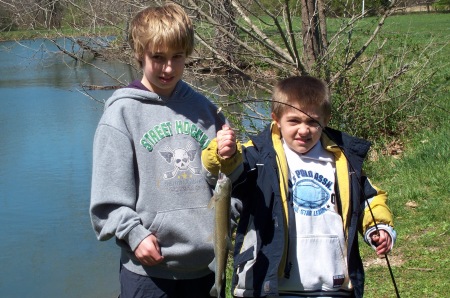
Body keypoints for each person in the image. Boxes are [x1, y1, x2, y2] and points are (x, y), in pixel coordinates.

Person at [201, 75, 397, 297]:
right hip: (270, 285)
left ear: (326, 120)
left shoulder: (344, 159)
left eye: (312, 122)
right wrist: (222, 154)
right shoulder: (258, 156)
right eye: (294, 121)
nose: (304, 130)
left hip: (332, 287)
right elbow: (228, 172)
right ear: (276, 119)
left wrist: (378, 227)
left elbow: (369, 198)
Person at [89, 3, 228, 297]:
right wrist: (135, 235)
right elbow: (107, 200)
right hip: (149, 275)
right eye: (158, 57)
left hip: (207, 270)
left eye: (177, 57)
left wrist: (232, 159)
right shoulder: (122, 113)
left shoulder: (206, 111)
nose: (168, 68)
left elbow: (227, 184)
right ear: (140, 54)